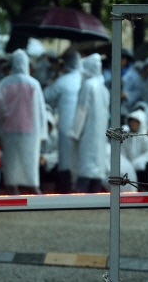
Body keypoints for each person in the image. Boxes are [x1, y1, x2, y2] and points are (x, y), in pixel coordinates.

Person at [0, 49, 47, 195]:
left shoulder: (3, 84)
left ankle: (13, 193)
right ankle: (34, 191)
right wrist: (42, 134)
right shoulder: (34, 84)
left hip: (9, 133)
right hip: (31, 134)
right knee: (29, 165)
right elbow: (41, 112)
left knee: (12, 166)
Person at [69, 53, 110, 193]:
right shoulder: (104, 88)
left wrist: (75, 132)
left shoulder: (88, 85)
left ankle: (80, 195)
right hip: (99, 134)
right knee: (97, 167)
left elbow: (82, 110)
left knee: (85, 166)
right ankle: (95, 197)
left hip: (88, 133)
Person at [43, 51, 82, 193]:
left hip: (66, 125)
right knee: (78, 157)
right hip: (81, 126)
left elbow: (47, 96)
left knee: (65, 158)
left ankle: (64, 189)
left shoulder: (63, 81)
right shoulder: (84, 79)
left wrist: (52, 81)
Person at [121, 109, 148, 190]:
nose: (133, 124)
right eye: (131, 121)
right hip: (129, 169)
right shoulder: (127, 137)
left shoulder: (147, 136)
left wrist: (135, 163)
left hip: (141, 169)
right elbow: (122, 152)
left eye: (135, 122)